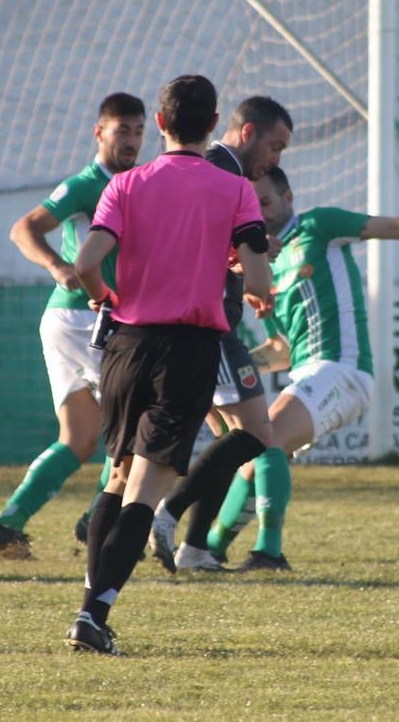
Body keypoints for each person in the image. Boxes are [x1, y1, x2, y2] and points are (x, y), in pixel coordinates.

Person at [64, 74, 272, 655]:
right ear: (212, 127)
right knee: (146, 491)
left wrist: (104, 295)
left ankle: (90, 606)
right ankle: (94, 612)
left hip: (126, 347)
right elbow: (257, 277)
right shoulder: (233, 190)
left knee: (118, 474)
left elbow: (86, 263)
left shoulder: (126, 184)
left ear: (159, 125)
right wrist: (253, 283)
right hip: (188, 349)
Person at [207, 166, 399, 570]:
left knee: (265, 438)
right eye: (254, 205)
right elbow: (282, 351)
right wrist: (233, 366)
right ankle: (209, 547)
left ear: (288, 198)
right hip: (308, 372)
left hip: (345, 369)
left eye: (266, 201)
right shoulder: (261, 268)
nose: (261, 212)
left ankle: (269, 553)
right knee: (256, 455)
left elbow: (398, 225)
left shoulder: (319, 226)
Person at [0, 93, 146, 557]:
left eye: (137, 132)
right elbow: (24, 228)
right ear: (99, 132)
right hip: (84, 317)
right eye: (122, 131)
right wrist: (57, 265)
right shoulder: (86, 184)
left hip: (71, 320)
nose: (131, 141)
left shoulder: (138, 183)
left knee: (79, 438)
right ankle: (98, 521)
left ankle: (6, 525)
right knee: (134, 426)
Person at [148, 96, 293, 573]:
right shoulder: (218, 169)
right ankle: (165, 513)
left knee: (228, 437)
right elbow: (191, 239)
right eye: (274, 146)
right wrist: (246, 256)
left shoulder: (223, 171)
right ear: (247, 132)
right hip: (210, 324)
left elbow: (210, 242)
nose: (275, 161)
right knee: (256, 433)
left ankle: (193, 549)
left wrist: (244, 256)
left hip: (213, 317)